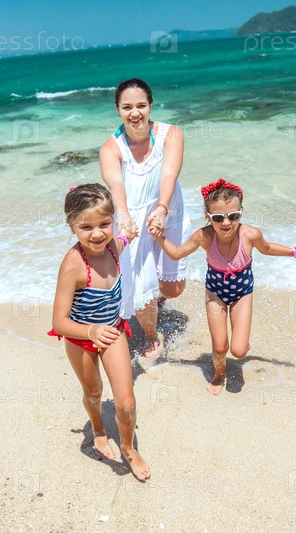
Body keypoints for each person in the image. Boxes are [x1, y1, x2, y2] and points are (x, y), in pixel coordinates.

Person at [149, 178, 296, 395]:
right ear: (208, 217)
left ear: (241, 212)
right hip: (215, 293)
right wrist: (159, 237)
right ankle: (219, 374)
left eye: (234, 216)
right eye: (218, 218)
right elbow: (176, 253)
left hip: (242, 293)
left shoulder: (250, 235)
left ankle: (241, 346)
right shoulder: (204, 236)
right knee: (220, 346)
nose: (226, 222)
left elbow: (268, 248)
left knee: (239, 351)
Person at [48, 183, 150, 481]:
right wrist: (90, 331)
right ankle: (98, 429)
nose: (97, 234)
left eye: (104, 224)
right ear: (71, 227)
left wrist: (134, 231)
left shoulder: (114, 247)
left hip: (113, 332)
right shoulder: (73, 266)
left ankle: (128, 448)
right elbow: (58, 322)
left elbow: (124, 238)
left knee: (126, 403)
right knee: (93, 392)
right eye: (86, 227)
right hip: (81, 337)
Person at [99, 78, 191, 359]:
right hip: (132, 218)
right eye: (127, 107)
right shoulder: (110, 148)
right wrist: (123, 215)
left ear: (151, 105)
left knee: (173, 289)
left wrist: (162, 209)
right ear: (118, 109)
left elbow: (169, 174)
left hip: (168, 212)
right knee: (140, 285)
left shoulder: (171, 135)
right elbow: (115, 183)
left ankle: (158, 297)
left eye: (141, 105)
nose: (134, 113)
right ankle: (151, 335)